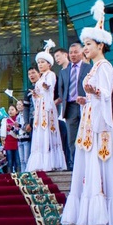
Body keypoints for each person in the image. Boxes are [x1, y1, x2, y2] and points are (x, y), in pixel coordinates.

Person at [61, 1, 113, 225]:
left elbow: (107, 94)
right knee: (89, 167)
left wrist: (95, 92)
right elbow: (96, 96)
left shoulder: (105, 67)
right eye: (85, 45)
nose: (85, 49)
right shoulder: (95, 68)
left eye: (88, 44)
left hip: (99, 127)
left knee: (97, 167)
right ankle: (91, 215)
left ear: (100, 45)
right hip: (90, 124)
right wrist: (86, 99)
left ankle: (100, 217)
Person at [27, 40, 66, 172]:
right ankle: (40, 161)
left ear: (49, 64)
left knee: (48, 131)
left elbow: (50, 88)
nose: (40, 65)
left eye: (42, 62)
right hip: (40, 108)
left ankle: (50, 161)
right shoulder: (41, 77)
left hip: (47, 107)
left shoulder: (50, 75)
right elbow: (39, 94)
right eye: (39, 62)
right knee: (40, 133)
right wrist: (35, 95)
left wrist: (46, 87)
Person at [58, 43, 92, 170]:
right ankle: (76, 165)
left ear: (82, 52)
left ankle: (88, 164)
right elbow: (61, 90)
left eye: (76, 52)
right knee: (72, 138)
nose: (73, 55)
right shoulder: (64, 71)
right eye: (71, 52)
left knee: (86, 134)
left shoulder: (89, 68)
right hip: (70, 107)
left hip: (85, 105)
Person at [0, 105, 20, 173]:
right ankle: (10, 176)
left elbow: (19, 131)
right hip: (8, 142)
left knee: (17, 161)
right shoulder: (5, 120)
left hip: (17, 142)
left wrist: (12, 128)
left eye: (12, 109)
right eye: (9, 110)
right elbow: (2, 132)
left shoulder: (18, 119)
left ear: (16, 111)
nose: (10, 111)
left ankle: (19, 175)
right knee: (9, 161)